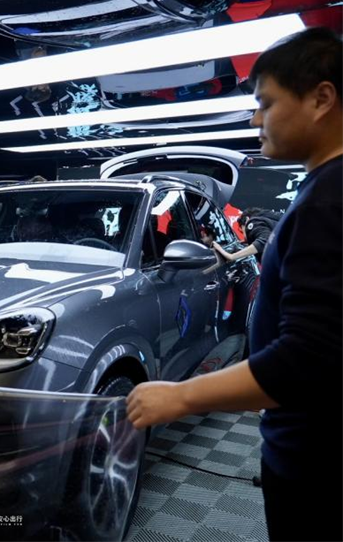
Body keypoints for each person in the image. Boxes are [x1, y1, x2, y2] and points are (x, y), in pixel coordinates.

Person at [126, 27, 343, 542]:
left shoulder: (329, 199)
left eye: (265, 103)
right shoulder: (326, 189)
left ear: (321, 99)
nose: (253, 120)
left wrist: (181, 397)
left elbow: (305, 360)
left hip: (316, 465)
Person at [212, 206, 281, 262]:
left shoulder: (252, 222)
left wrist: (232, 256)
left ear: (246, 219)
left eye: (242, 230)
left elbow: (265, 241)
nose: (244, 236)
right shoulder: (271, 218)